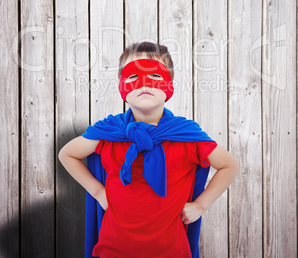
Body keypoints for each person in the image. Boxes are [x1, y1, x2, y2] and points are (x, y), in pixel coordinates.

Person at [58, 42, 239, 258]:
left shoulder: (186, 135)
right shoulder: (109, 132)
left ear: (169, 85)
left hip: (171, 251)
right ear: (122, 87)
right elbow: (67, 154)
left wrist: (200, 205)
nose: (144, 83)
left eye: (155, 76)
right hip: (114, 250)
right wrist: (98, 192)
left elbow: (229, 165)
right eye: (133, 76)